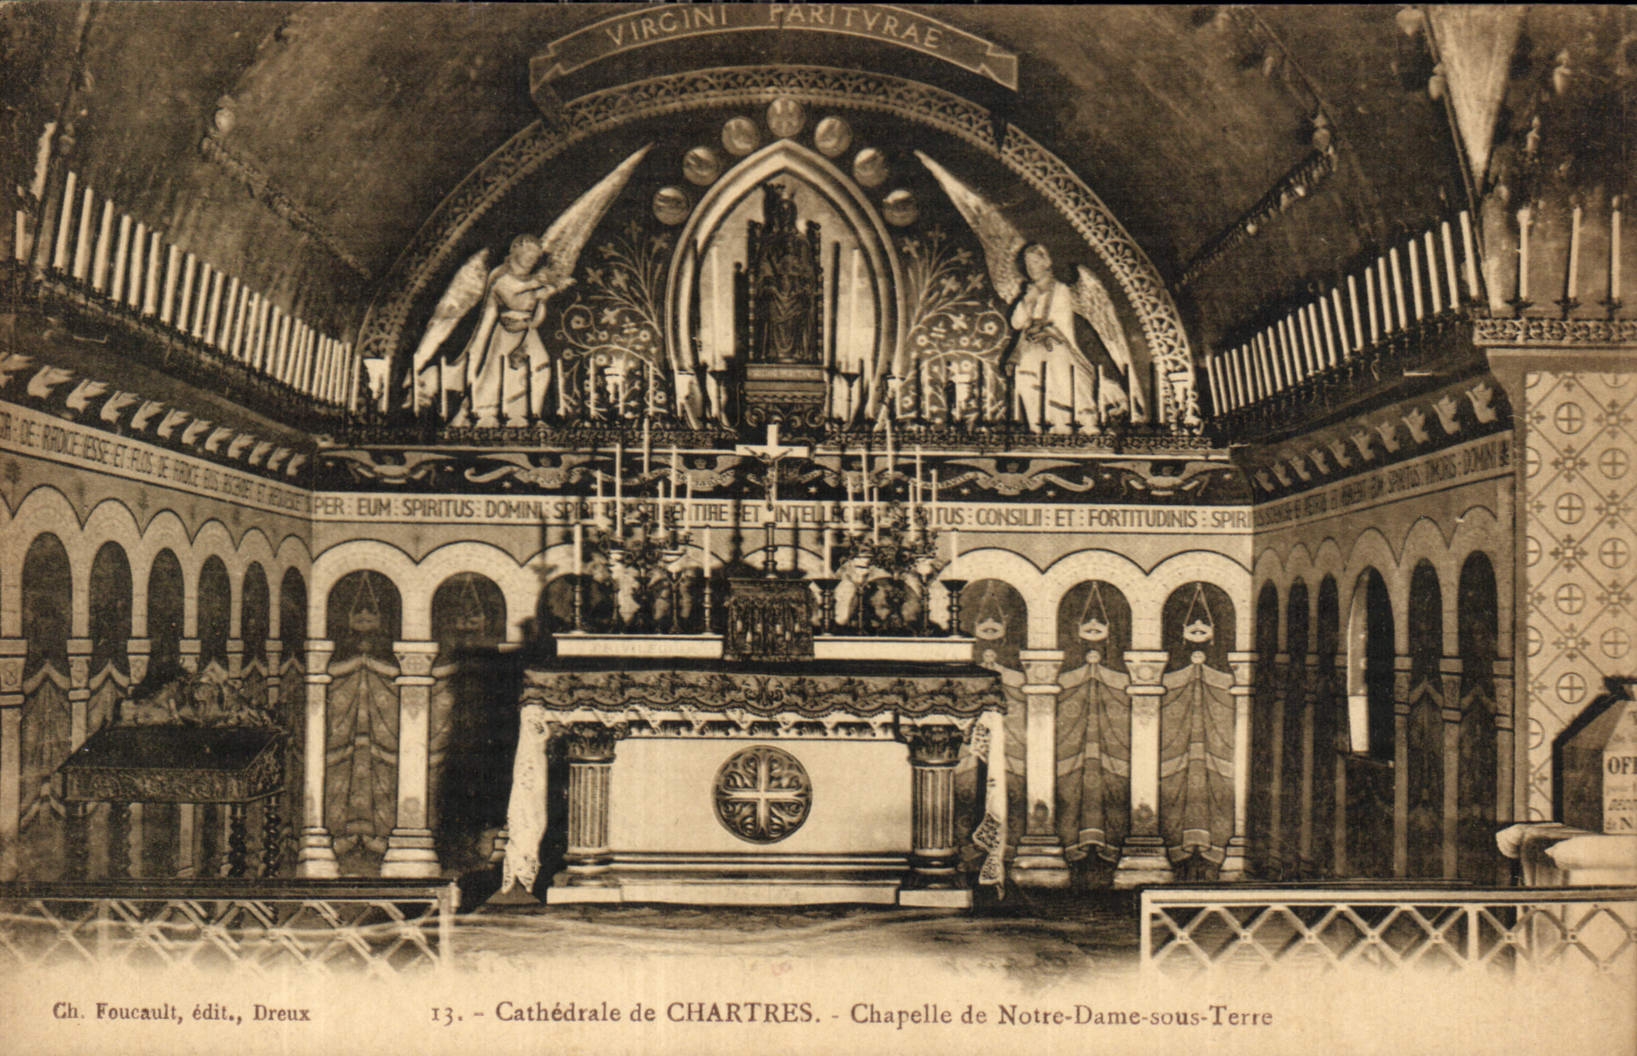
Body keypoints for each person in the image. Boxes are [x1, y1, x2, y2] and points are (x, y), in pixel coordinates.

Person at [453, 234, 574, 427]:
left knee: (541, 367)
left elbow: (534, 309)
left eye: (535, 257)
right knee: (498, 374)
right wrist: (540, 286)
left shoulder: (531, 280)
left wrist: (547, 293)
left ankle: (528, 416)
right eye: (528, 254)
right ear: (516, 250)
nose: (531, 260)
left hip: (526, 331)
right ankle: (484, 416)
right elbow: (513, 298)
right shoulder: (500, 275)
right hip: (506, 333)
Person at [1008, 244, 1099, 432]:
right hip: (1032, 347)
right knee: (1024, 373)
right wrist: (1028, 300)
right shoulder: (1030, 292)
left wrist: (1040, 326)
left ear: (1046, 262)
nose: (1031, 267)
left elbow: (1058, 322)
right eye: (1027, 263)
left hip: (1055, 345)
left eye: (1035, 261)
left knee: (1059, 380)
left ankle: (1064, 427)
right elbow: (1016, 323)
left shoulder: (1060, 289)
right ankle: (1038, 428)